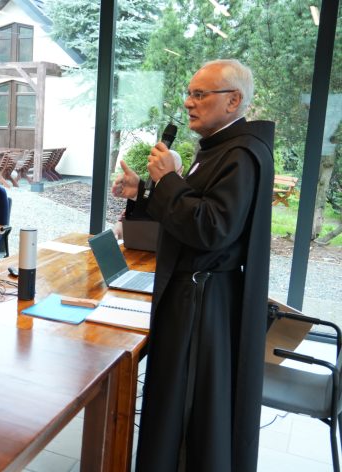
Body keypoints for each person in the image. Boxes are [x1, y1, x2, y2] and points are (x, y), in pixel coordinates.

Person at [111, 59, 274, 472]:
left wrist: (167, 181)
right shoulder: (217, 149)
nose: (188, 102)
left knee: (186, 411)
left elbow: (212, 229)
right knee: (171, 404)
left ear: (233, 100)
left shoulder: (241, 154)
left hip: (203, 304)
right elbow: (190, 211)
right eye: (189, 93)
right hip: (192, 297)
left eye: (200, 94)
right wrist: (145, 194)